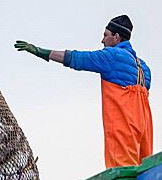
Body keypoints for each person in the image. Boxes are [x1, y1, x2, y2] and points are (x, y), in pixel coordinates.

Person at [15, 15, 153, 168]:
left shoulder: (112, 57)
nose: (102, 41)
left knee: (122, 172)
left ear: (116, 37)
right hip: (144, 127)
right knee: (144, 170)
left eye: (105, 35)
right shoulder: (144, 68)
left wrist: (39, 51)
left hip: (124, 124)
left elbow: (76, 58)